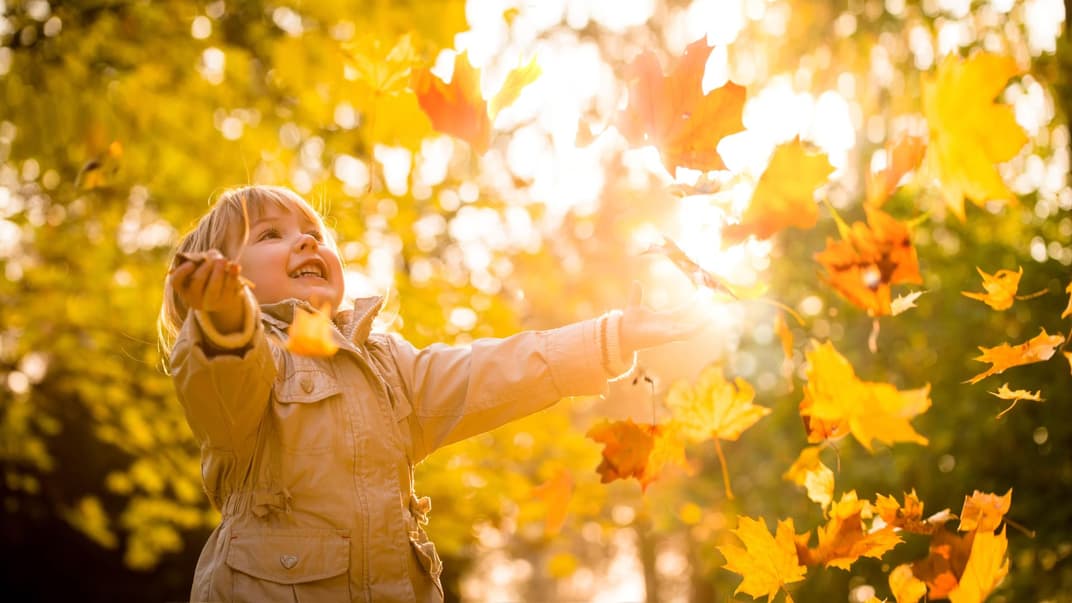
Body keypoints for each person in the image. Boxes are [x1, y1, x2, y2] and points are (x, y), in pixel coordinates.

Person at [159, 185, 707, 602]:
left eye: (314, 232)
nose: (306, 239)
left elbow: (490, 372)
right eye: (269, 235)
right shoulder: (245, 361)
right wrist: (225, 319)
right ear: (226, 279)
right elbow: (219, 384)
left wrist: (610, 337)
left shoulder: (386, 364)